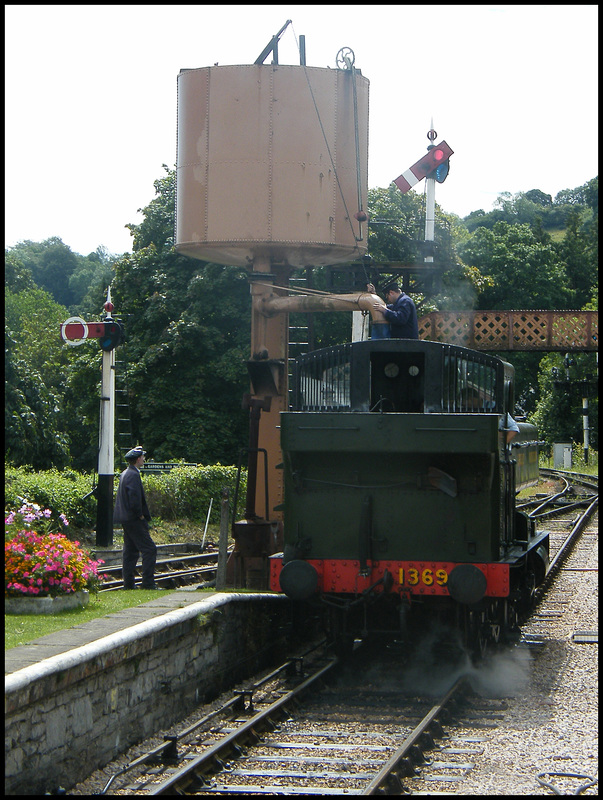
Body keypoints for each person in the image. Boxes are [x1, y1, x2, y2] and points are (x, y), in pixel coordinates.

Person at [113, 446, 158, 590]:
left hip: (126, 519)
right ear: (138, 459)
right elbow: (134, 498)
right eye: (143, 457)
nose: (144, 459)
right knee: (149, 549)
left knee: (130, 551)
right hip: (134, 518)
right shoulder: (133, 475)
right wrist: (140, 515)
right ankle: (148, 582)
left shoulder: (125, 473)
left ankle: (128, 583)